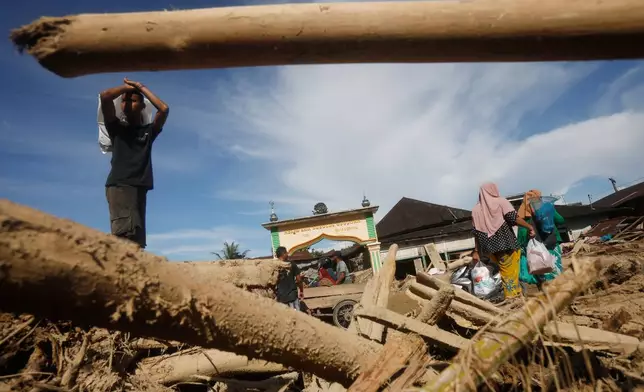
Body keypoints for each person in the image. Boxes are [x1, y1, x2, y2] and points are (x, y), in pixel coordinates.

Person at [100, 78, 169, 249]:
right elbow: (105, 96)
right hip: (121, 185)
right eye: (124, 100)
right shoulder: (116, 128)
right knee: (124, 236)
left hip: (138, 188)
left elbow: (164, 109)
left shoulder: (147, 132)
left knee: (137, 241)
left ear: (143, 106)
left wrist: (141, 87)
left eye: (132, 100)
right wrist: (127, 87)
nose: (127, 103)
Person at [471, 183, 535, 300]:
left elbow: (475, 233)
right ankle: (511, 299)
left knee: (507, 273)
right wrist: (529, 227)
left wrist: (476, 251)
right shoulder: (501, 202)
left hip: (489, 249)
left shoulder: (475, 210)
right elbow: (513, 218)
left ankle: (517, 295)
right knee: (508, 274)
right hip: (506, 245)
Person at [517, 189, 565, 287]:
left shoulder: (522, 212)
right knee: (555, 268)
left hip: (535, 248)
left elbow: (521, 236)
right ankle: (559, 290)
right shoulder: (547, 207)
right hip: (551, 242)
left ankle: (545, 291)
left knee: (541, 270)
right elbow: (561, 220)